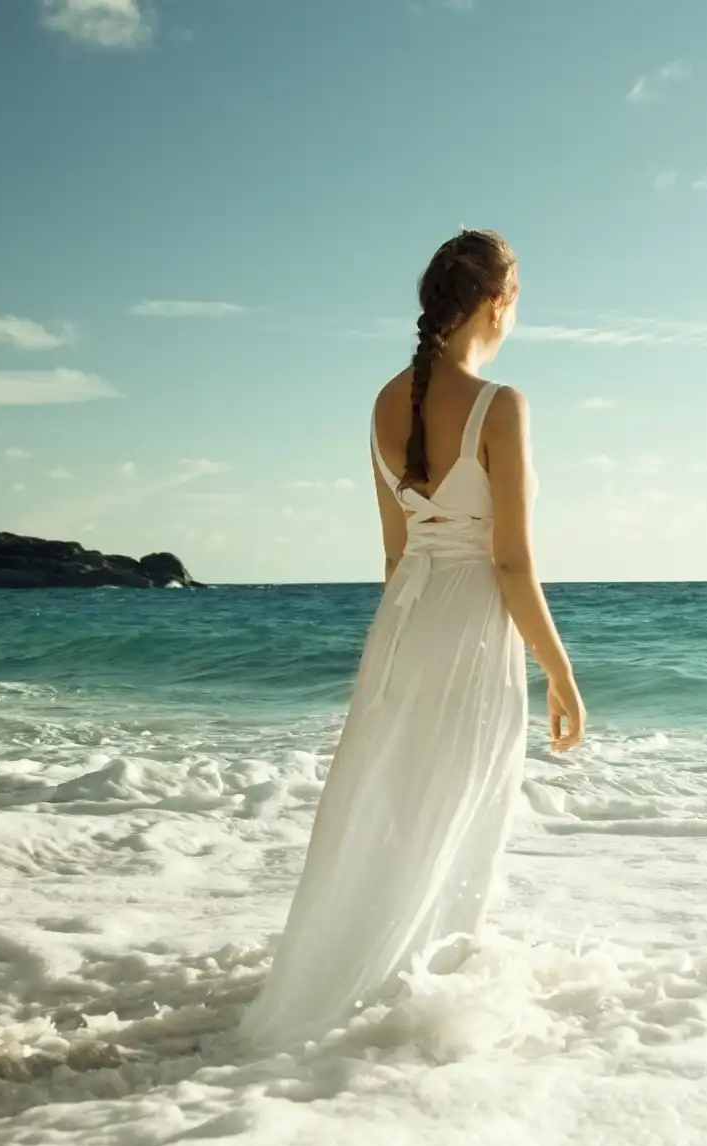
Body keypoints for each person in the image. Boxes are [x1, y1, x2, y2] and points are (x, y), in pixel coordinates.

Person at [239, 229, 584, 1049]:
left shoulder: (383, 403)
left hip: (403, 622)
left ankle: (363, 972)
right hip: (468, 622)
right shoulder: (502, 406)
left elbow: (396, 553)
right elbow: (509, 558)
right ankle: (426, 988)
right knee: (462, 803)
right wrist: (561, 675)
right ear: (498, 302)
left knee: (393, 800)